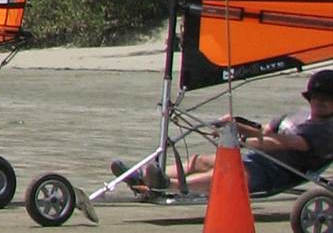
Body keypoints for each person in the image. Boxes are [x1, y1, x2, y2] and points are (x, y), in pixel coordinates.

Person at [119, 68, 333, 196]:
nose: (320, 101)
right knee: (198, 161)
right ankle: (143, 176)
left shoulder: (326, 131)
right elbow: (263, 130)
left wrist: (240, 136)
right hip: (254, 160)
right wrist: (235, 124)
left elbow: (284, 143)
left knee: (225, 174)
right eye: (316, 96)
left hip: (272, 175)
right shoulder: (297, 116)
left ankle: (168, 185)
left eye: (327, 98)